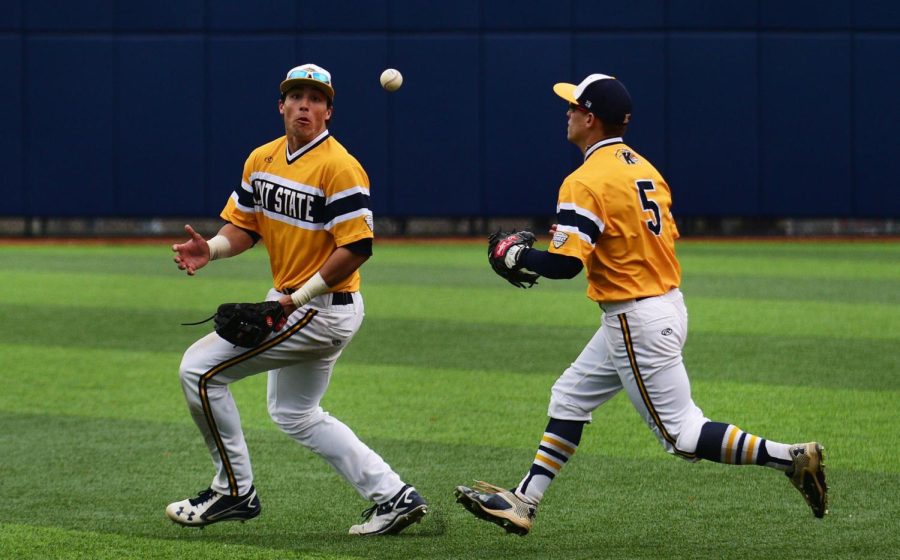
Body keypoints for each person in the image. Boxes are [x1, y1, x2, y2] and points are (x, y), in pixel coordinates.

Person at [455, 74, 828, 535]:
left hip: (636, 318)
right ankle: (524, 501)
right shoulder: (646, 169)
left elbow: (566, 265)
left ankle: (790, 458)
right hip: (666, 304)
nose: (567, 112)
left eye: (573, 106)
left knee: (683, 436)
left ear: (590, 118)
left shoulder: (586, 179)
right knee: (569, 395)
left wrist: (514, 255)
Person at [165, 63, 427, 536]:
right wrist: (213, 249)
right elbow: (244, 226)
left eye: (315, 98)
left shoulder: (340, 167)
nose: (305, 104)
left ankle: (233, 492)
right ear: (281, 106)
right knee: (295, 413)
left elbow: (357, 248)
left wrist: (292, 301)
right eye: (296, 96)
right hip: (298, 304)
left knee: (198, 371)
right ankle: (394, 496)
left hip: (319, 309)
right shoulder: (261, 158)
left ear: (328, 110)